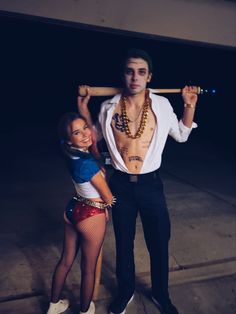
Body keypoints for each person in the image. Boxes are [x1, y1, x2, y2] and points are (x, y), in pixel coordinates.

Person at [78, 48, 198, 314]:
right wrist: (84, 110)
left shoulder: (161, 105)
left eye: (141, 72)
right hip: (119, 184)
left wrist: (189, 105)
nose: (135, 77)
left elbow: (181, 135)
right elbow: (94, 140)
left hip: (150, 185)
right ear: (123, 75)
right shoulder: (108, 106)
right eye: (129, 71)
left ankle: (161, 294)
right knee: (124, 242)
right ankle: (126, 291)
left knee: (158, 242)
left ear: (149, 76)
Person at [46, 112, 115, 314]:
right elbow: (108, 197)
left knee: (66, 260)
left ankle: (54, 305)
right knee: (88, 269)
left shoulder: (74, 154)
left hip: (73, 208)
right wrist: (107, 207)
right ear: (69, 140)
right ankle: (85, 310)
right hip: (91, 216)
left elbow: (92, 142)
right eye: (77, 132)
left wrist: (83, 106)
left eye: (86, 127)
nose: (86, 134)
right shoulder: (88, 164)